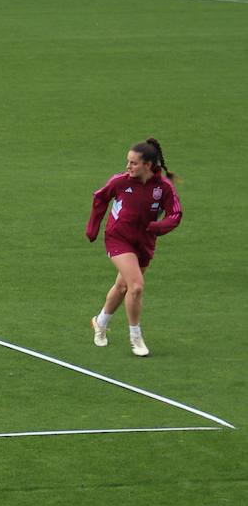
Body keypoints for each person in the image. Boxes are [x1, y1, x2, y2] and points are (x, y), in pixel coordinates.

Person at [86, 137, 182, 357]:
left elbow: (175, 214)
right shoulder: (120, 181)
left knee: (122, 287)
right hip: (118, 238)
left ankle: (100, 322)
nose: (127, 166)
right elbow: (100, 198)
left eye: (133, 163)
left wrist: (158, 227)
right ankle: (135, 337)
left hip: (145, 243)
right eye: (128, 162)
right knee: (136, 286)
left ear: (147, 165)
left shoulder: (163, 188)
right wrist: (93, 228)